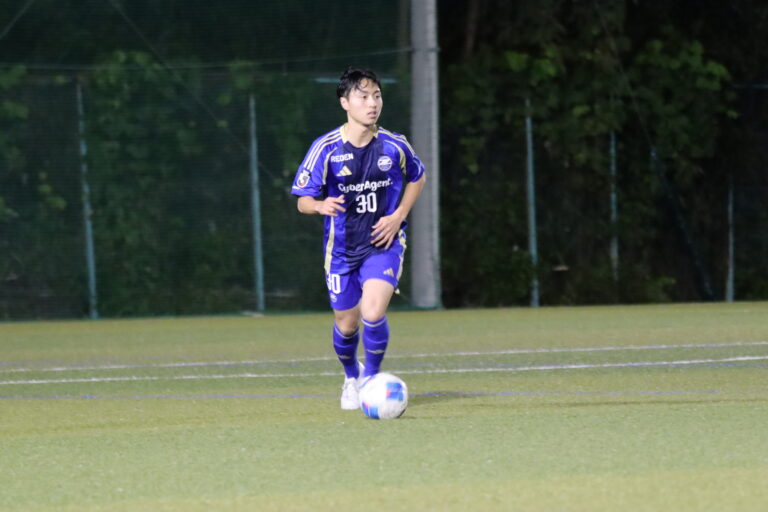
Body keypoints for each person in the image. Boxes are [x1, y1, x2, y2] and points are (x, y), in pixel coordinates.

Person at [291, 67, 426, 410]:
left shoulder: (394, 145)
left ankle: (371, 380)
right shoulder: (326, 149)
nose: (372, 103)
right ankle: (352, 375)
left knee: (372, 311)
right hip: (340, 251)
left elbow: (418, 176)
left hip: (383, 244)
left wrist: (398, 215)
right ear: (345, 103)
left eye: (376, 96)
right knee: (346, 323)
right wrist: (320, 205)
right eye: (363, 97)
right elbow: (302, 201)